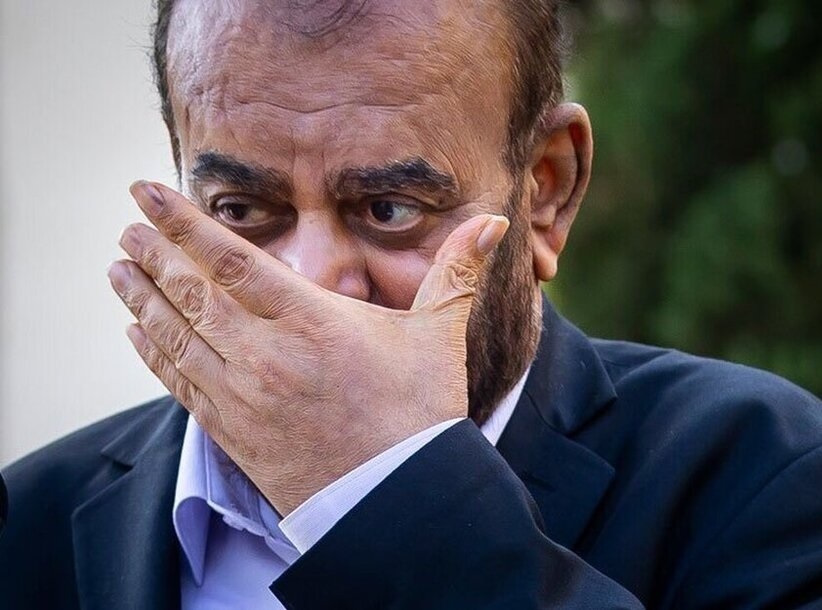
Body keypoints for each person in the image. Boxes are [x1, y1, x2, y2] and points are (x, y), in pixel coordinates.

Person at [1, 0, 820, 608]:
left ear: (545, 191)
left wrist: (391, 497)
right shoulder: (27, 526)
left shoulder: (765, 478)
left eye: (389, 209)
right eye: (242, 209)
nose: (310, 281)